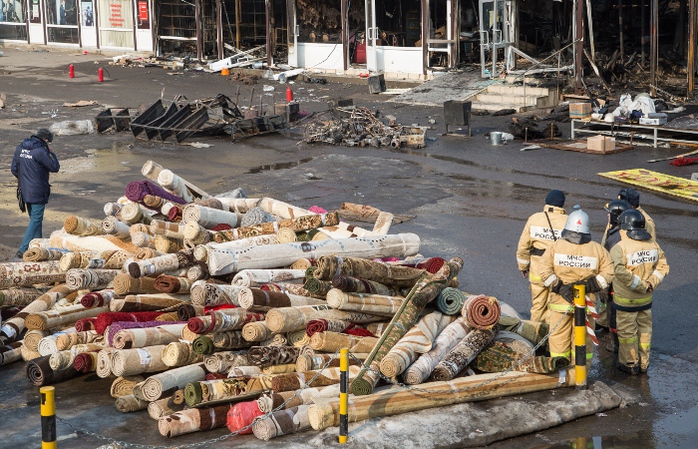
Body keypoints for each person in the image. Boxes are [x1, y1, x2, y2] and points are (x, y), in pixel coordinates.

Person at [538, 206, 614, 365]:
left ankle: (561, 372)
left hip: (560, 304)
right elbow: (609, 273)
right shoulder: (597, 249)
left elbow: (543, 271)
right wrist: (591, 285)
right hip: (586, 305)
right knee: (583, 341)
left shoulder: (555, 247)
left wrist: (560, 287)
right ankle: (581, 374)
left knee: (558, 339)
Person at [609, 209, 669, 374]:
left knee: (627, 333)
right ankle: (644, 363)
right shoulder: (653, 245)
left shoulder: (620, 247)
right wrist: (650, 283)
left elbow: (619, 271)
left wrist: (638, 284)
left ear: (626, 227)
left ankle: (630, 364)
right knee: (645, 331)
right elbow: (663, 266)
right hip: (646, 300)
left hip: (625, 300)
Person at [516, 189, 567, 323]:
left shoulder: (534, 218)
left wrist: (523, 266)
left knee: (538, 305)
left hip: (537, 271)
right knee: (554, 306)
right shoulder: (568, 221)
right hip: (557, 272)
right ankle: (551, 337)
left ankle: (534, 334)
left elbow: (523, 246)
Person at [11, 128, 60, 260]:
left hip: (24, 190)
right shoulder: (41, 152)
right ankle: (22, 251)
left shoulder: (21, 148)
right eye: (48, 142)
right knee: (36, 220)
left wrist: (25, 180)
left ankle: (39, 247)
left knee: (36, 221)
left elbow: (14, 169)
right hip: (38, 190)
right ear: (45, 139)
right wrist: (52, 154)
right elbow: (55, 167)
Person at [596, 199, 633, 343]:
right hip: (620, 284)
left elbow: (612, 265)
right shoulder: (619, 232)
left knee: (615, 318)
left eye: (609, 213)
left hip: (615, 285)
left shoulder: (616, 237)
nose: (607, 216)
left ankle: (617, 346)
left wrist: (605, 285)